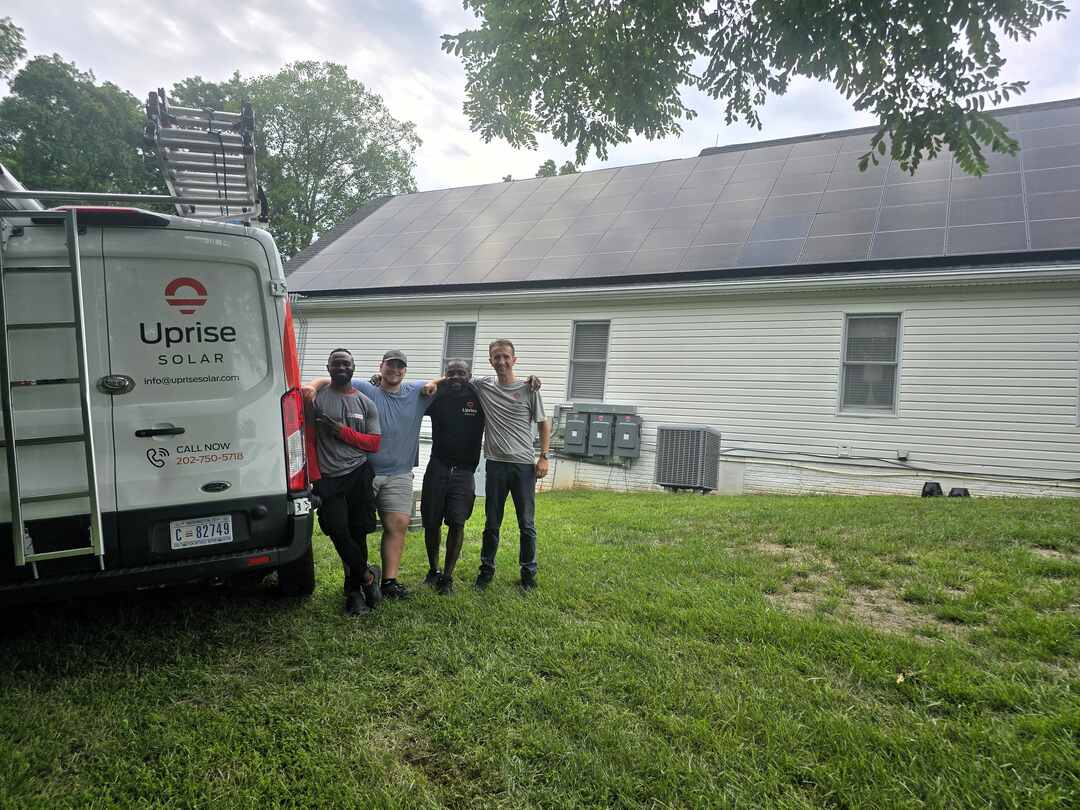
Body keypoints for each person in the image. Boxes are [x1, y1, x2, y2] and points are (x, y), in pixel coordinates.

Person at [307, 349, 436, 599]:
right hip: (364, 472)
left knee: (395, 524)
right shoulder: (366, 389)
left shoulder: (416, 393)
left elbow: (449, 380)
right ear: (381, 366)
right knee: (348, 529)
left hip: (398, 472)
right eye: (390, 365)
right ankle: (355, 584)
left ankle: (388, 581)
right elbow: (330, 379)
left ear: (405, 370)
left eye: (400, 366)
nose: (395, 370)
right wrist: (311, 387)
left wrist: (433, 383)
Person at [307, 348, 383, 615]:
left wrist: (340, 431)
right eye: (336, 364)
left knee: (359, 532)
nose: (341, 368)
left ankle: (353, 593)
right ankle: (367, 575)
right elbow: (308, 440)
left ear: (353, 368)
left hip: (359, 474)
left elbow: (373, 443)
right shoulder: (316, 401)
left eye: (346, 364)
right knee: (338, 531)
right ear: (328, 368)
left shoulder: (366, 403)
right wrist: (315, 477)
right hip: (328, 479)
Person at [470, 339, 550, 590]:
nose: (501, 361)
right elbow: (453, 378)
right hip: (495, 465)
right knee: (491, 522)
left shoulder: (529, 389)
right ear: (490, 360)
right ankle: (486, 570)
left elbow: (543, 423)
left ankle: (528, 574)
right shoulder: (482, 386)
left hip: (523, 466)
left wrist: (544, 456)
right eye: (496, 357)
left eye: (506, 356)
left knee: (526, 524)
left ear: (514, 359)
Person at [420, 359, 485, 595]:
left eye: (461, 373)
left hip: (464, 472)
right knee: (431, 522)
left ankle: (447, 577)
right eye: (451, 373)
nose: (456, 377)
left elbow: (503, 389)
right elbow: (410, 397)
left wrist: (528, 382)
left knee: (457, 523)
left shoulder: (479, 396)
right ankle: (433, 569)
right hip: (437, 467)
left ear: (469, 375)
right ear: (444, 375)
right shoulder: (438, 395)